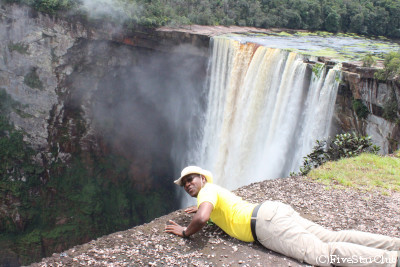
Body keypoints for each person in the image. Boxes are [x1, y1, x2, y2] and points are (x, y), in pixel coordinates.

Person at [165, 166, 400, 267]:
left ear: (203, 179)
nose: (187, 185)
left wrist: (186, 232)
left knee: (325, 254)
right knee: (331, 236)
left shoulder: (206, 192)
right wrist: (204, 208)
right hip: (273, 210)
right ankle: (393, 246)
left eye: (190, 180)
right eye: (184, 183)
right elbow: (214, 210)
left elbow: (203, 218)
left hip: (265, 225)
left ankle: (390, 261)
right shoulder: (213, 192)